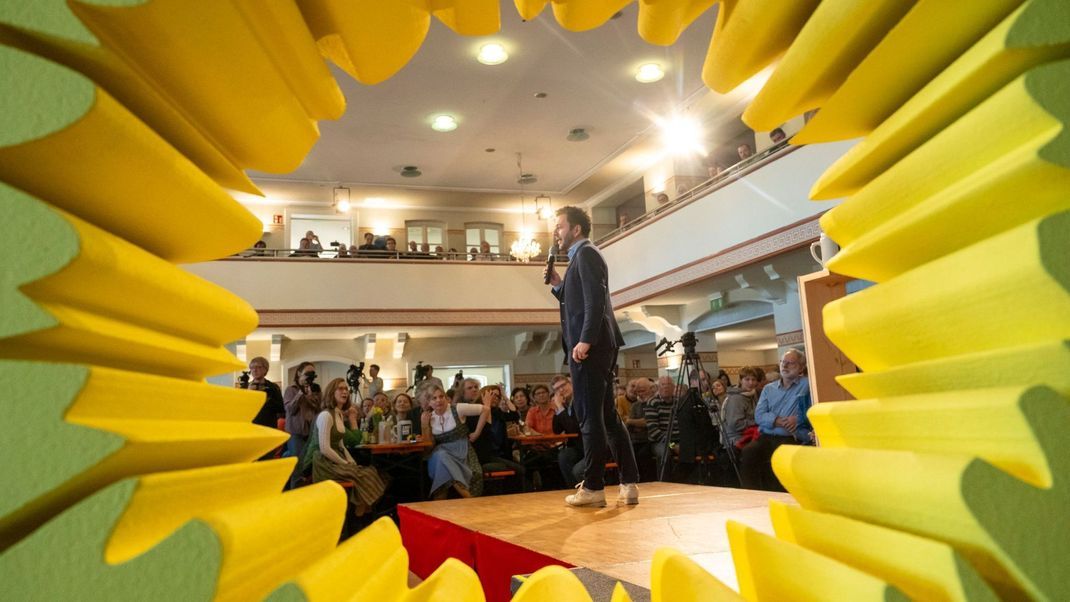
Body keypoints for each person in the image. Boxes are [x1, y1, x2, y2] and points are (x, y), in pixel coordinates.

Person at [544, 206, 639, 507]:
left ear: (575, 230)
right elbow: (579, 300)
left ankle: (595, 486)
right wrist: (559, 284)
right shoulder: (581, 258)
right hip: (598, 345)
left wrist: (585, 340)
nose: (556, 233)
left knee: (589, 417)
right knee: (608, 417)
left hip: (590, 346)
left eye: (560, 226)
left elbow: (595, 302)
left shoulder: (585, 254)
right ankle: (629, 482)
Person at [303, 378, 386, 515]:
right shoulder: (325, 415)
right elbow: (325, 448)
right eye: (340, 389)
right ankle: (359, 507)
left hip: (335, 459)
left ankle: (360, 506)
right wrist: (344, 462)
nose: (345, 392)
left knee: (369, 471)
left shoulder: (339, 415)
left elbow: (341, 444)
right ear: (331, 392)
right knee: (363, 473)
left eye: (346, 389)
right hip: (323, 462)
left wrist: (350, 460)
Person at [740, 349, 809, 491]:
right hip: (766, 435)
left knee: (781, 458)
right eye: (783, 362)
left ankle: (782, 496)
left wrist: (798, 418)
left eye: (791, 363)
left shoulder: (807, 385)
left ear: (801, 367)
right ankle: (750, 494)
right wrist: (777, 420)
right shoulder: (768, 389)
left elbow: (814, 407)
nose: (785, 366)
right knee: (749, 451)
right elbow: (759, 416)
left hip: (790, 436)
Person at [421, 385, 489, 499]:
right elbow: (428, 447)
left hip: (462, 452)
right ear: (429, 402)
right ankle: (468, 498)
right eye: (434, 398)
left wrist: (477, 433)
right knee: (441, 456)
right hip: (440, 453)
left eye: (441, 396)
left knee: (442, 465)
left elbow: (485, 410)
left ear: (446, 398)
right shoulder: (429, 417)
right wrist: (424, 425)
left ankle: (439, 503)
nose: (438, 400)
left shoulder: (457, 408)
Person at [283, 362, 321, 487]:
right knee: (298, 469)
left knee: (307, 465)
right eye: (307, 374)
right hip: (296, 432)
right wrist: (300, 393)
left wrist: (309, 395)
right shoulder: (291, 389)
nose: (310, 377)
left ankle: (286, 456)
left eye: (312, 374)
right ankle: (294, 496)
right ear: (299, 373)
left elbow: (318, 408)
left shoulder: (315, 389)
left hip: (310, 433)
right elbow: (290, 409)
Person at [550, 376, 584, 487]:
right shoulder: (566, 404)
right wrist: (557, 409)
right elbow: (557, 430)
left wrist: (560, 407)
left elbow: (574, 428)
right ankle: (573, 490)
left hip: (590, 446)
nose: (561, 390)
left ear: (571, 383)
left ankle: (586, 491)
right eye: (557, 389)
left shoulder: (581, 401)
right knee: (564, 455)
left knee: (577, 471)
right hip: (578, 446)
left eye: (563, 385)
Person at [720, 366, 759, 449]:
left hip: (749, 434)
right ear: (741, 381)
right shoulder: (736, 398)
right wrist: (757, 421)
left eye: (753, 379)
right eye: (747, 379)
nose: (751, 382)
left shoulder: (752, 394)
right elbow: (735, 424)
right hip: (736, 439)